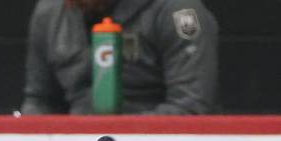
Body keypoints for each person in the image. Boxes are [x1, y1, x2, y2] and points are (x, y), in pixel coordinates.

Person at [21, 0, 219, 114]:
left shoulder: (176, 10)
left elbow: (190, 107)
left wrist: (120, 136)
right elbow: (40, 101)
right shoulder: (49, 13)